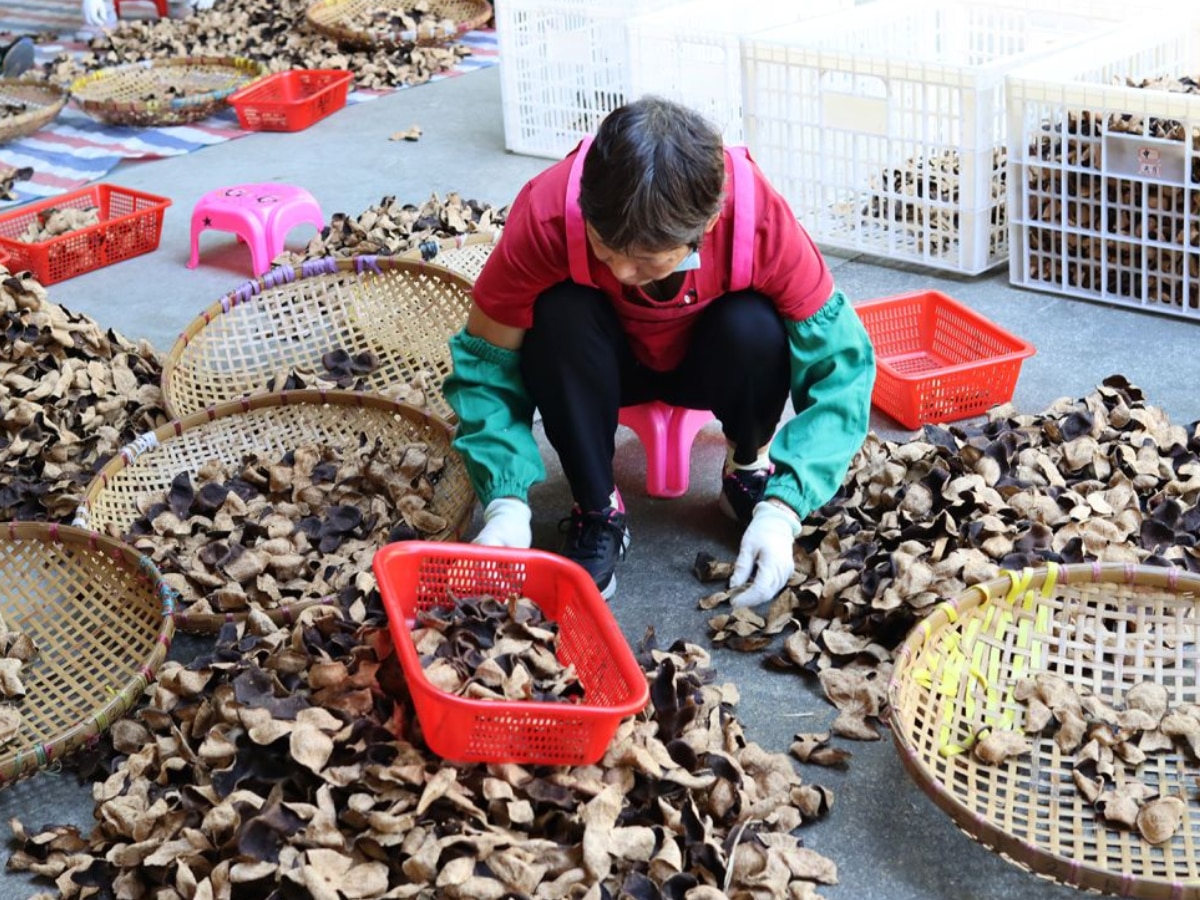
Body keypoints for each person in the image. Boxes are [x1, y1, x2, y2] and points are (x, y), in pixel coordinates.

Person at [443, 95, 875, 608]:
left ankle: (746, 468)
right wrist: (506, 500)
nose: (623, 274)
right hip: (600, 367)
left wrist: (787, 506)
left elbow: (840, 369)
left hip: (708, 364)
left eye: (648, 262)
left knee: (756, 324)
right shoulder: (547, 214)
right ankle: (596, 506)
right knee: (559, 314)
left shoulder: (755, 218)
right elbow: (486, 366)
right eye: (605, 250)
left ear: (708, 225)